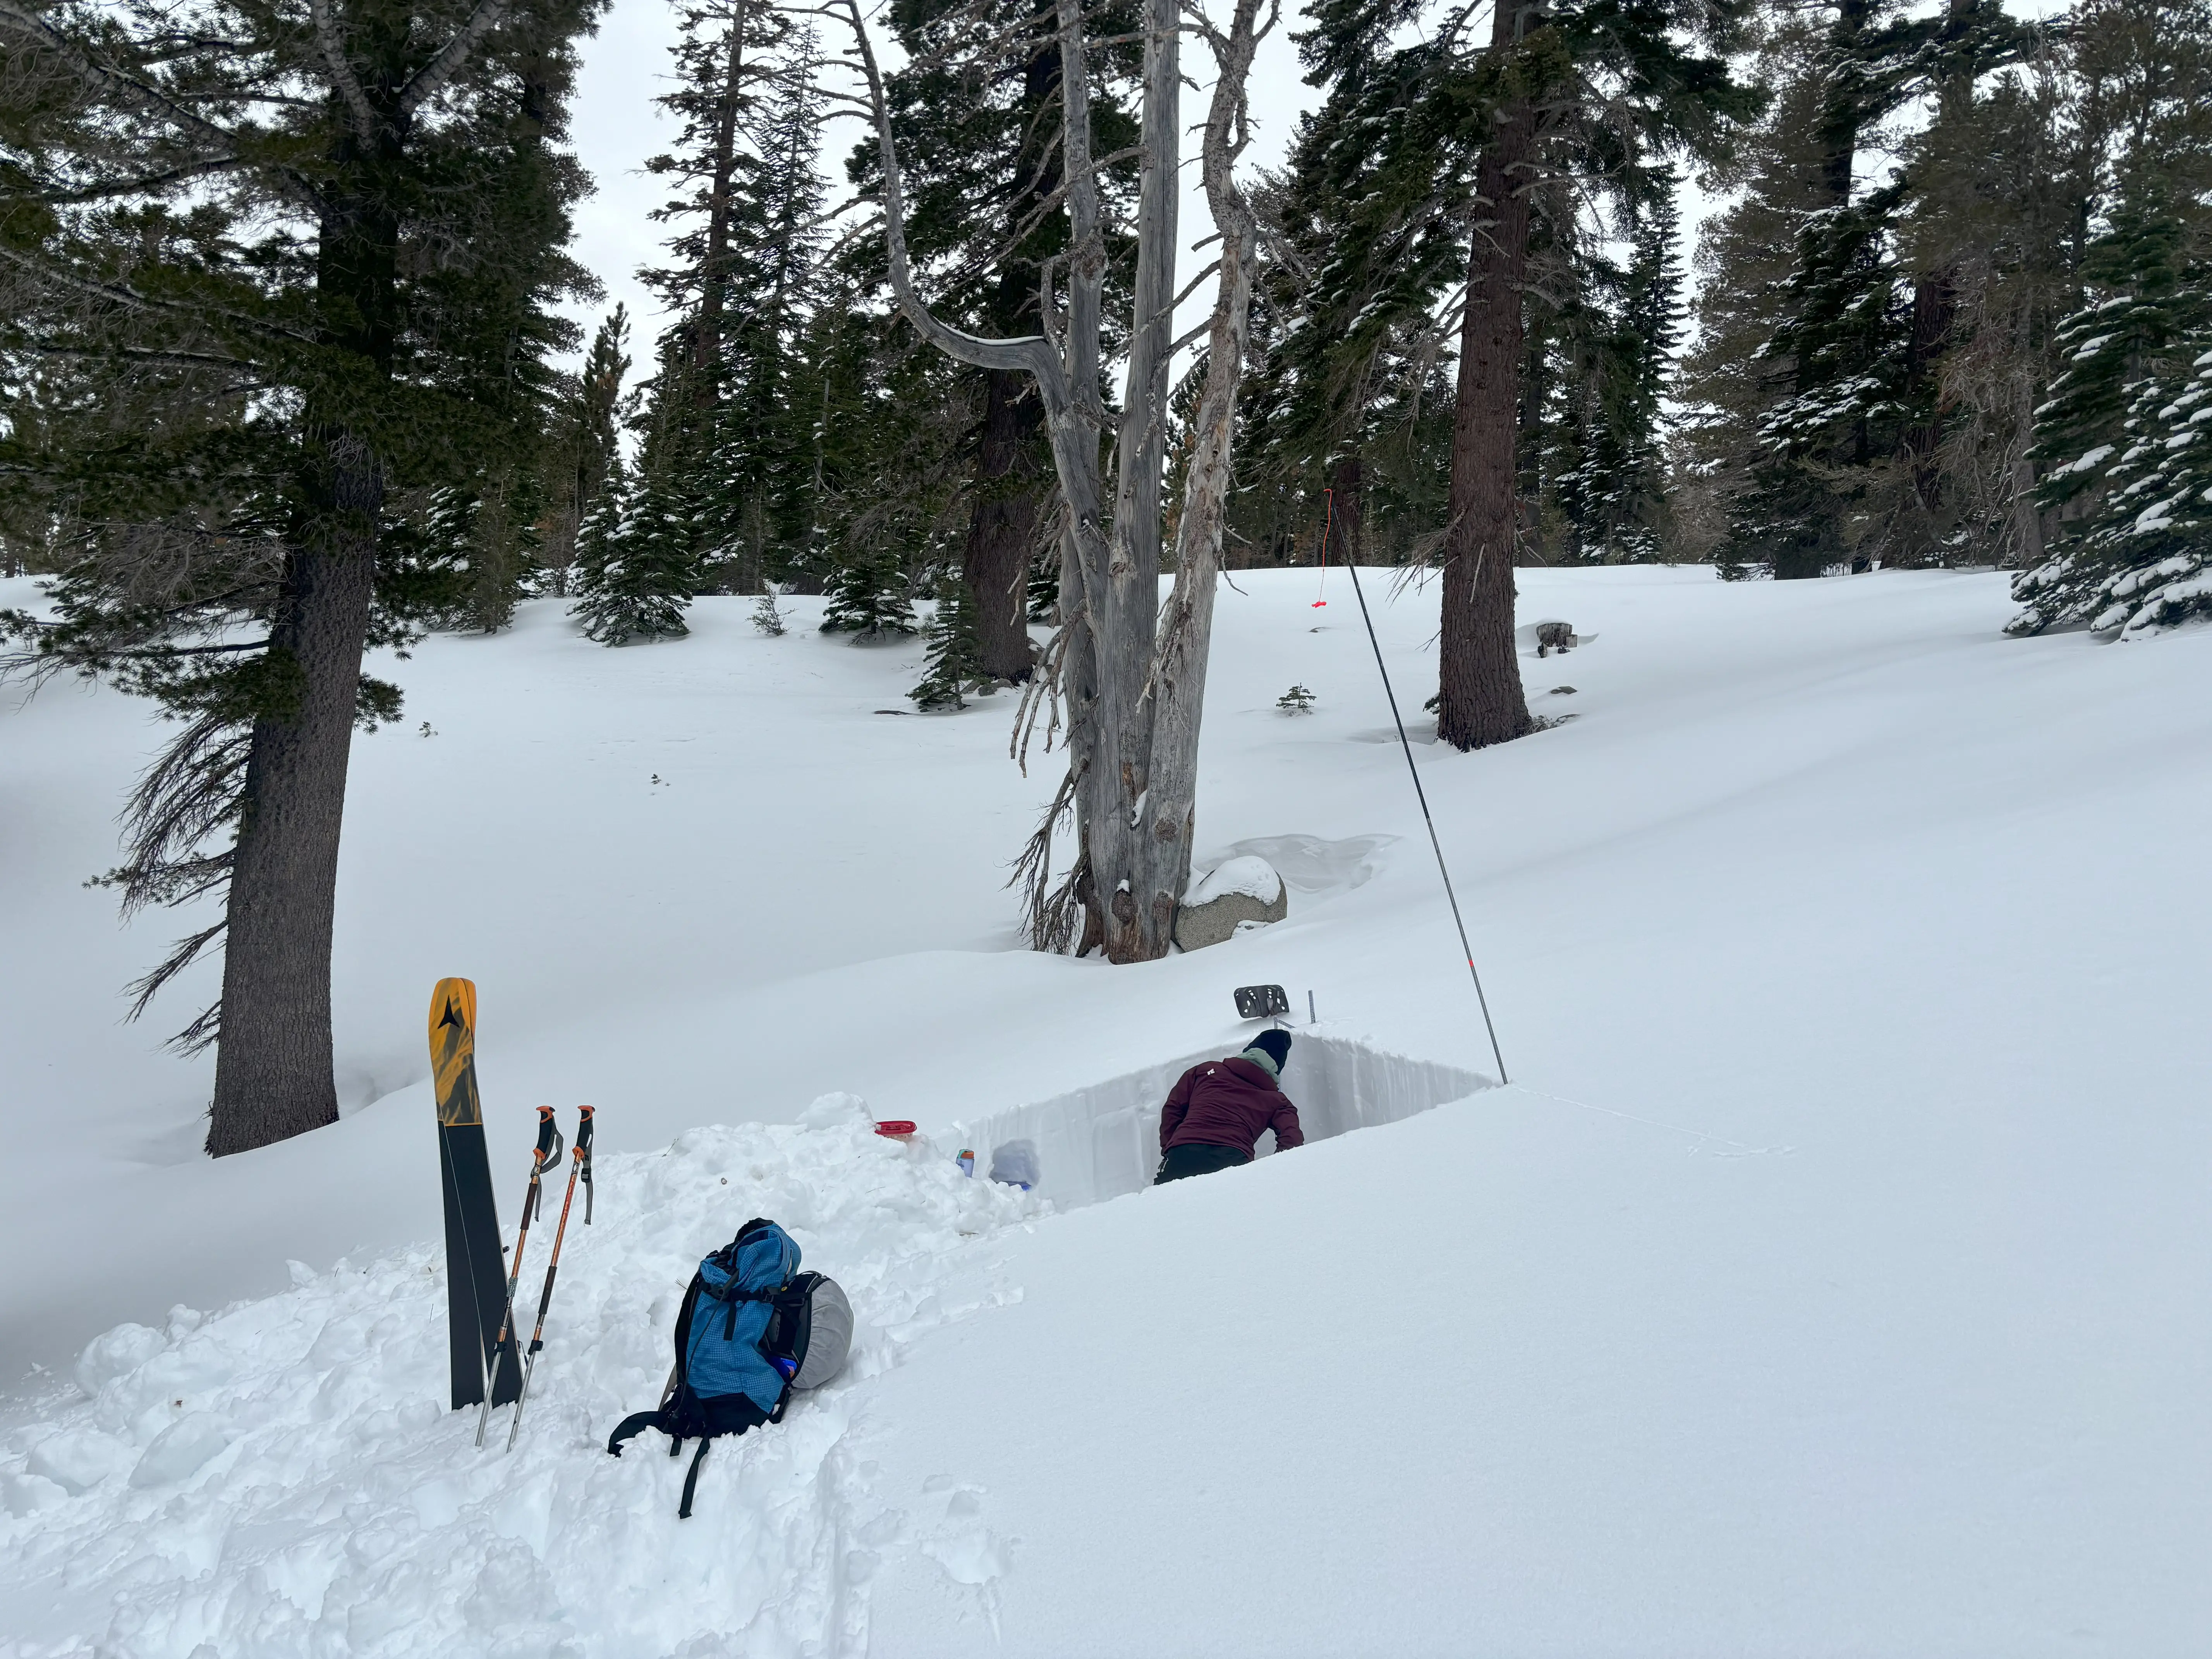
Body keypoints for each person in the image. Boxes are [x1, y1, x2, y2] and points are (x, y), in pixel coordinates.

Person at [1154, 1028, 1303, 1184]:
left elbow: (1173, 1108)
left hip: (1182, 1152)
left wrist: (1171, 1146)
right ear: (1277, 1070)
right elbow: (1292, 1138)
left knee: (1160, 1206)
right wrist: (1272, 1173)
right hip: (1233, 1161)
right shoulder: (1278, 1101)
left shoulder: (1205, 1071)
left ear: (1248, 1051)